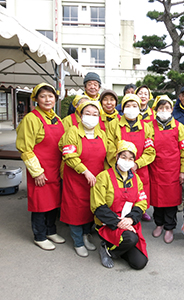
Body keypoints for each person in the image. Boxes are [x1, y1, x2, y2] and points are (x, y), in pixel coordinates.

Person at [16, 83, 65, 251]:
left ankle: (51, 230)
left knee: (53, 203)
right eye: (43, 96)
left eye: (50, 96)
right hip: (40, 170)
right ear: (36, 99)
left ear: (55, 99)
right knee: (40, 205)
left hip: (55, 169)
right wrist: (37, 172)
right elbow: (25, 148)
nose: (47, 99)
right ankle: (39, 235)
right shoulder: (31, 119)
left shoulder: (57, 118)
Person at [59, 100, 107, 257]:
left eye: (95, 114)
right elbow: (69, 155)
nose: (91, 117)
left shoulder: (102, 134)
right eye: (87, 113)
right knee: (75, 210)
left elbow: (107, 157)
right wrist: (85, 171)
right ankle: (78, 242)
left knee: (90, 209)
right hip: (76, 179)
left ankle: (86, 236)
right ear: (80, 114)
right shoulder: (72, 132)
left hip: (96, 180)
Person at [91, 140, 148, 270]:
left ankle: (118, 248)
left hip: (128, 221)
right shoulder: (103, 177)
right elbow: (97, 206)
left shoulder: (136, 179)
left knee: (139, 263)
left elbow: (142, 202)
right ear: (116, 157)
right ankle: (106, 249)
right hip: (108, 223)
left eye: (130, 158)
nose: (127, 161)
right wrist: (118, 222)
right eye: (123, 157)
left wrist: (130, 219)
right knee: (131, 238)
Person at [107, 94, 155, 222]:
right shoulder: (113, 125)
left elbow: (150, 151)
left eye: (134, 106)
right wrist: (121, 164)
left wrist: (137, 164)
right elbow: (109, 148)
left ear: (139, 108)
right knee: (120, 194)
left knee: (138, 192)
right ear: (122, 108)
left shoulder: (146, 127)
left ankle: (139, 212)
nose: (131, 108)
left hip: (139, 168)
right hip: (118, 166)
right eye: (127, 105)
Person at [149, 95, 184, 244]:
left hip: (173, 171)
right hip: (155, 170)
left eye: (167, 107)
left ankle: (169, 227)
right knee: (157, 200)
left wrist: (183, 171)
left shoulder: (179, 127)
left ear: (172, 109)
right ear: (156, 110)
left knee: (171, 202)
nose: (164, 110)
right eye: (161, 108)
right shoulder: (149, 126)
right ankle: (159, 224)